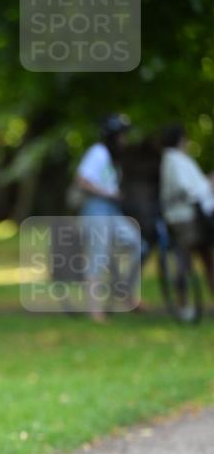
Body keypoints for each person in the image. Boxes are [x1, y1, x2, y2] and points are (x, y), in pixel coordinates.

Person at [74, 114, 142, 322]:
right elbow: (82, 180)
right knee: (98, 258)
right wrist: (108, 193)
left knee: (136, 244)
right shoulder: (98, 152)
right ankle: (95, 311)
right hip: (96, 211)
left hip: (112, 211)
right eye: (122, 135)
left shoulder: (112, 158)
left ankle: (125, 294)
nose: (125, 139)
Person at [160, 123, 214, 306]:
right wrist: (208, 184)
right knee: (186, 258)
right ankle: (182, 303)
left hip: (194, 215)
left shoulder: (180, 159)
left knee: (205, 257)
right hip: (183, 217)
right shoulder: (172, 159)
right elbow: (185, 188)